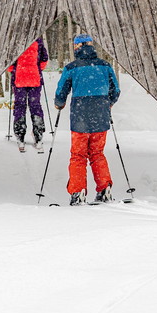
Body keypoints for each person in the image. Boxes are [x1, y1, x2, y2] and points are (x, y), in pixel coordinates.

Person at [54, 34, 120, 205]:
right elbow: (116, 90)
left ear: (76, 47)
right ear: (91, 46)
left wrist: (59, 104)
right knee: (97, 153)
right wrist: (108, 104)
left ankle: (78, 191)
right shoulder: (105, 66)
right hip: (101, 115)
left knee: (78, 155)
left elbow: (62, 91)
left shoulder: (72, 68)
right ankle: (104, 188)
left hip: (80, 116)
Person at [7, 37, 49, 151]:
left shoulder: (16, 40)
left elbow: (9, 63)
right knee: (35, 106)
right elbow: (44, 59)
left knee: (20, 106)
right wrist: (37, 69)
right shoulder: (38, 40)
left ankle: (20, 136)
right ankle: (38, 136)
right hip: (34, 78)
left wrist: (15, 70)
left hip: (19, 79)